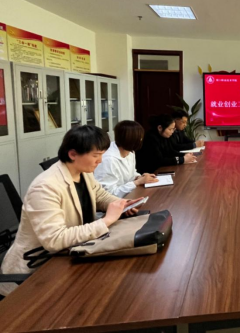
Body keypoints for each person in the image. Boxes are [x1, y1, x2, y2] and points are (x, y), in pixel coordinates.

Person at [0, 126, 143, 297]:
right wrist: (106, 221)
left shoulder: (83, 172)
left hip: (73, 253)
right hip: (37, 270)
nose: (100, 161)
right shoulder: (45, 187)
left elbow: (99, 195)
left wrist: (119, 204)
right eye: (96, 155)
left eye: (102, 155)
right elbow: (55, 240)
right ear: (73, 154)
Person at [94, 120, 158, 197]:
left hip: (128, 195)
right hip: (114, 200)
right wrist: (137, 182)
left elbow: (131, 174)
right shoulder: (108, 159)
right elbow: (109, 193)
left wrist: (139, 177)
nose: (141, 140)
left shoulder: (130, 151)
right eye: (140, 138)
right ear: (132, 139)